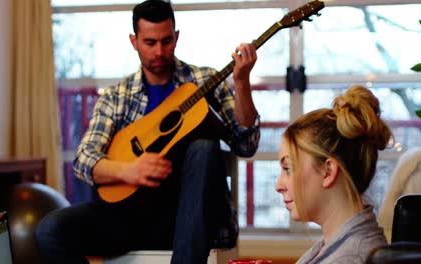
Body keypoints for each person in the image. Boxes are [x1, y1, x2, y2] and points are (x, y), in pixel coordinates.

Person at [34, 0, 260, 263]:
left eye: (166, 41)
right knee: (49, 231)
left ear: (176, 37)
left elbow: (246, 145)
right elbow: (83, 159)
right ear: (134, 41)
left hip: (187, 221)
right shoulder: (117, 96)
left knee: (204, 148)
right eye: (150, 43)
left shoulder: (205, 81)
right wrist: (129, 170)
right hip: (127, 219)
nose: (159, 52)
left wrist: (242, 83)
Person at [275, 85, 393, 264]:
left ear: (328, 171)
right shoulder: (334, 246)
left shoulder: (351, 258)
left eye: (288, 169)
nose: (279, 186)